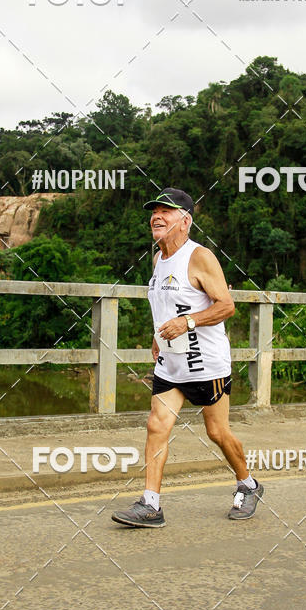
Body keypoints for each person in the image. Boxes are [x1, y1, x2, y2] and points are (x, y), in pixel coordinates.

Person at [111, 187, 263, 529]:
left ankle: (248, 485)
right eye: (154, 211)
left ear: (185, 220)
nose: (156, 216)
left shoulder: (200, 257)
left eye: (165, 211)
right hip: (171, 362)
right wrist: (157, 335)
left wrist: (187, 322)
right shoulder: (157, 259)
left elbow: (226, 305)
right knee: (156, 424)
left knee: (217, 432)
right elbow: (164, 304)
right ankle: (151, 504)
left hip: (205, 363)